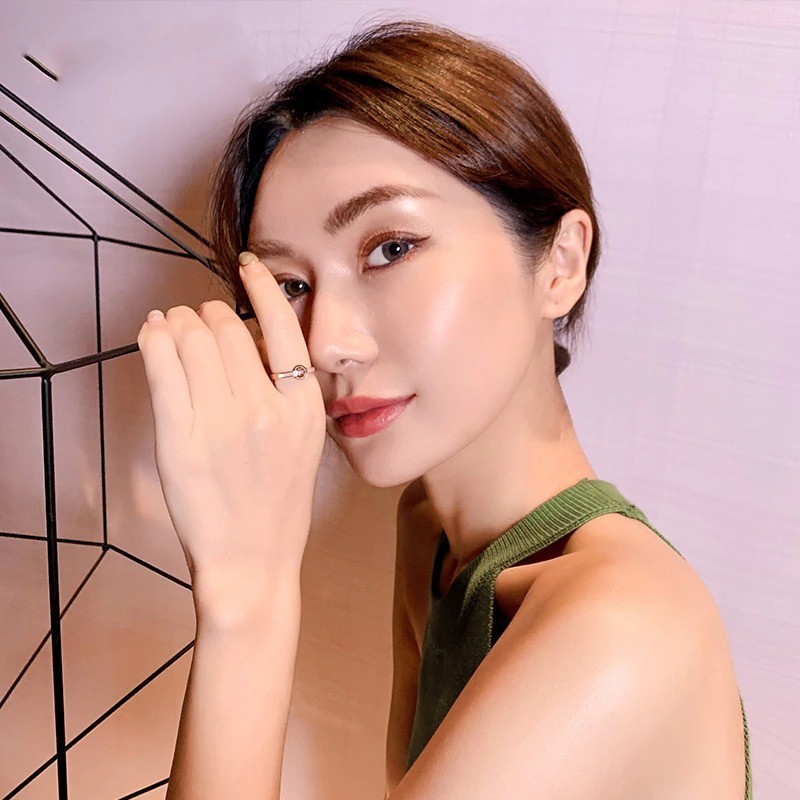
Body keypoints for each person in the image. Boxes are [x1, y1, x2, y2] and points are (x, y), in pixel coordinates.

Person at [136, 18, 752, 800]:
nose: (326, 343)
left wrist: (246, 600)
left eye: (389, 248)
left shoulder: (619, 628)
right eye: (290, 286)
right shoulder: (431, 530)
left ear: (560, 263)